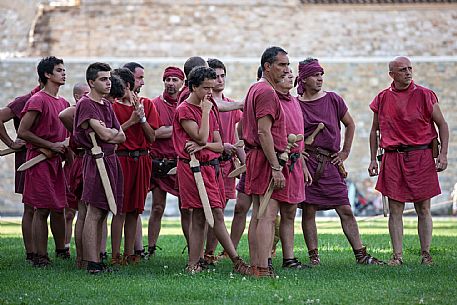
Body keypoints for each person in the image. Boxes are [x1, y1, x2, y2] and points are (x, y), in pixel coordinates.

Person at [296, 57, 382, 266]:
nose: (320, 79)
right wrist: (300, 157)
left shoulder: (333, 99)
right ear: (304, 79)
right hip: (307, 163)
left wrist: (345, 152)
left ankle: (360, 254)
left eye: (321, 75)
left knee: (344, 208)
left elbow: (350, 124)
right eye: (315, 75)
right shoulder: (295, 104)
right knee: (308, 210)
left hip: (330, 162)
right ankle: (314, 257)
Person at [368, 56, 449, 266]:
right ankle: (397, 256)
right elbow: (374, 131)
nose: (408, 72)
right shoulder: (383, 98)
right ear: (392, 75)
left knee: (423, 208)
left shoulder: (425, 95)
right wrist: (373, 159)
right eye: (403, 69)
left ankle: (426, 254)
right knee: (395, 210)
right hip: (393, 157)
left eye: (410, 68)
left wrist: (443, 154)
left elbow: (443, 125)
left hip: (421, 156)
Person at [172, 66, 250, 275]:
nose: (209, 92)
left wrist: (205, 146)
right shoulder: (185, 110)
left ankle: (195, 264)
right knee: (209, 213)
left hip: (211, 168)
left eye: (211, 87)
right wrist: (205, 114)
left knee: (206, 214)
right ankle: (234, 261)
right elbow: (199, 135)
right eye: (205, 88)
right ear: (193, 87)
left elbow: (217, 144)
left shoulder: (211, 106)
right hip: (192, 169)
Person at [242, 46, 301, 277]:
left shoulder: (256, 88)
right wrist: (276, 167)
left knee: (259, 213)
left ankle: (257, 266)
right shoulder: (266, 92)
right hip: (267, 158)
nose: (286, 69)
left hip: (259, 156)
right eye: (281, 65)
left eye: (288, 65)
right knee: (266, 215)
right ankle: (262, 267)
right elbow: (264, 132)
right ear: (267, 66)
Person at [17, 56, 70, 267]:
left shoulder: (64, 103)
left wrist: (64, 146)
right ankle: (39, 256)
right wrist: (49, 146)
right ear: (47, 74)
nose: (63, 73)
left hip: (56, 163)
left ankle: (60, 250)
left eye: (64, 70)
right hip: (38, 161)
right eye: (59, 70)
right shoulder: (37, 100)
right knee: (41, 209)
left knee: (59, 208)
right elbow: (23, 131)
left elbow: (66, 134)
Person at [73, 62, 125, 273]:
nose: (108, 82)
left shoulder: (107, 105)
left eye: (109, 78)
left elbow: (121, 136)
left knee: (104, 210)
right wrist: (109, 133)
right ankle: (91, 263)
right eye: (103, 79)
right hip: (96, 161)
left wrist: (110, 133)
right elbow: (104, 136)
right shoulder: (86, 104)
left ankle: (94, 259)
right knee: (94, 211)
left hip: (110, 160)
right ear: (91, 82)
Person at [111, 68, 159, 265]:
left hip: (142, 159)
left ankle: (131, 254)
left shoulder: (146, 104)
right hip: (121, 159)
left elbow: (152, 137)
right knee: (120, 209)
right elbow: (111, 134)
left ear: (127, 85)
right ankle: (115, 254)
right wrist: (131, 121)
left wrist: (142, 119)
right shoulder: (112, 107)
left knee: (135, 210)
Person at [203, 58, 244, 264]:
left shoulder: (231, 105)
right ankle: (199, 253)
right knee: (207, 212)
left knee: (219, 210)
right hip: (208, 162)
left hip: (227, 165)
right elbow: (215, 106)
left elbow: (237, 138)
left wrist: (244, 165)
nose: (219, 80)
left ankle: (209, 253)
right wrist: (243, 103)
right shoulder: (206, 102)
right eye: (215, 76)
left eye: (222, 76)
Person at [0, 84, 40, 262]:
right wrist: (11, 143)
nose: (64, 75)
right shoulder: (24, 101)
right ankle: (31, 254)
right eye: (59, 71)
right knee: (31, 206)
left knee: (47, 207)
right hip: (27, 157)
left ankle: (47, 252)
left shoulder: (56, 100)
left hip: (48, 158)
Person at [148, 66, 185, 256]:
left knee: (186, 207)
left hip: (180, 162)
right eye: (167, 80)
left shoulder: (185, 104)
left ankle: (192, 248)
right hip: (159, 162)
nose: (170, 83)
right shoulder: (154, 104)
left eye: (174, 80)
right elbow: (153, 133)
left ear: (182, 83)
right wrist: (178, 129)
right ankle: (151, 247)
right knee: (157, 206)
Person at [62, 83, 90, 255]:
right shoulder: (74, 112)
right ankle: (76, 253)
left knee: (90, 212)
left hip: (87, 161)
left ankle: (91, 254)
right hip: (79, 163)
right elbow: (63, 115)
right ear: (78, 97)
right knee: (76, 211)